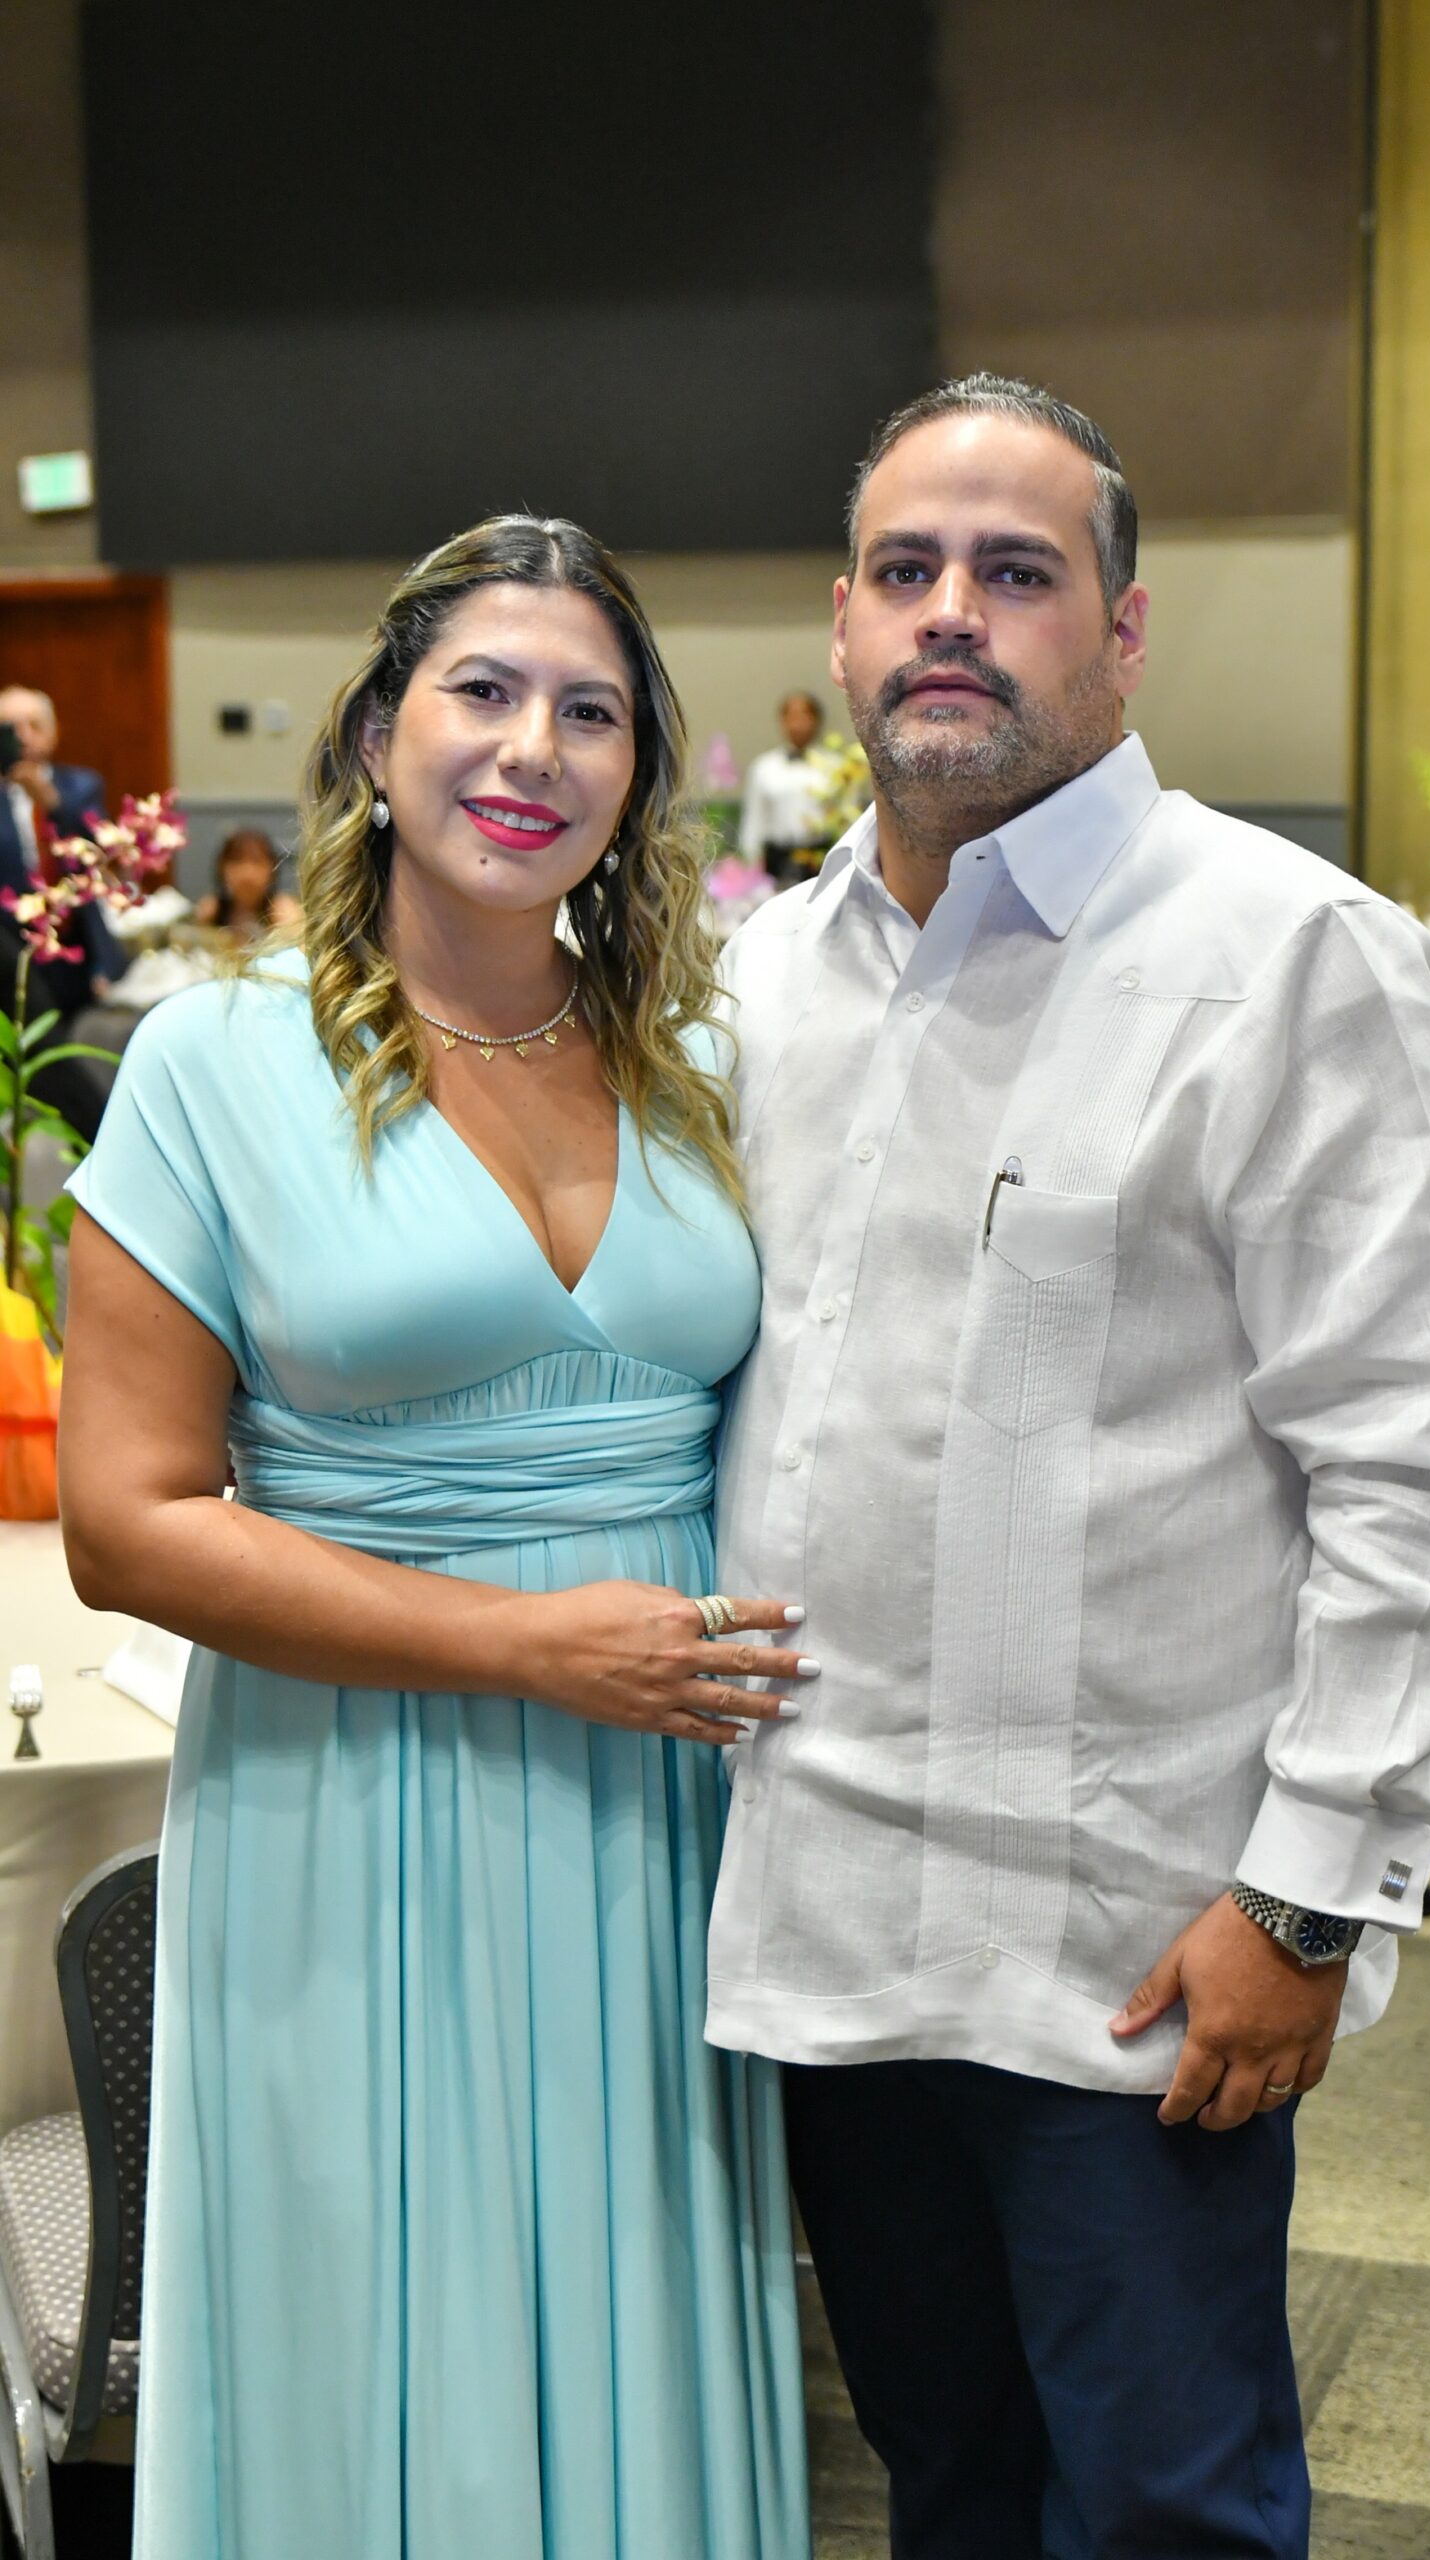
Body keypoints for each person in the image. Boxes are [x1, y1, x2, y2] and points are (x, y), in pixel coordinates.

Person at [708, 374, 1430, 2559]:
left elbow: (1414, 1477)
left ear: (1124, 631)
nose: (948, 614)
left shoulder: (1285, 956)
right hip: (826, 1919)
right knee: (946, 2489)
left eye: (1016, 571)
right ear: (842, 625)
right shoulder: (767, 974)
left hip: (1130, 1938)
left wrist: (1306, 1891)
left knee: (1165, 2511)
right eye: (903, 569)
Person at [57, 515, 813, 2560]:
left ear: (640, 773)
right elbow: (123, 1524)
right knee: (379, 2305)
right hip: (354, 1795)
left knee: (643, 2282)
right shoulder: (214, 1062)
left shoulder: (704, 1063)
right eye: (482, 691)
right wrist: (527, 1647)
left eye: (591, 711)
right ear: (378, 735)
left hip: (659, 1817)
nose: (532, 748)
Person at [0, 684, 127, 1139]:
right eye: (10, 729)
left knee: (75, 1055)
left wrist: (49, 800)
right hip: (14, 954)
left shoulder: (79, 786)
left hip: (74, 950)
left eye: (33, 725)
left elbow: (101, 853)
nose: (24, 737)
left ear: (53, 733)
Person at [738, 689, 831, 881]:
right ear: (782, 721)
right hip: (777, 860)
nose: (798, 724)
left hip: (820, 859)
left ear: (817, 720)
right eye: (792, 716)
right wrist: (751, 862)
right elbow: (754, 819)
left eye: (805, 716)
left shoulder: (834, 766)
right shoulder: (764, 767)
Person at [193, 825, 302, 943]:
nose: (247, 873)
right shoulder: (211, 911)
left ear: (273, 868)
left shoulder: (282, 910)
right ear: (221, 867)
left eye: (257, 861)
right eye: (237, 861)